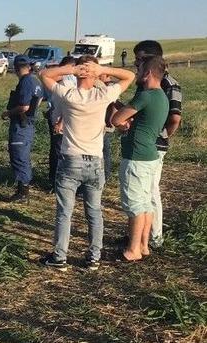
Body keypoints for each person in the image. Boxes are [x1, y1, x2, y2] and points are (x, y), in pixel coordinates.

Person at [39, 57, 135, 272]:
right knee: (94, 211)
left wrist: (71, 69)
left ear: (78, 74)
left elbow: (44, 74)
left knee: (65, 212)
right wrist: (102, 69)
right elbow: (130, 76)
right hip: (95, 161)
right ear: (93, 74)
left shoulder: (69, 95)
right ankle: (94, 257)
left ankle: (60, 257)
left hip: (70, 159)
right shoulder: (103, 95)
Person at [111, 55, 170, 262]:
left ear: (147, 73)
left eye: (139, 69)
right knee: (145, 203)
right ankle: (143, 245)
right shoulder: (162, 97)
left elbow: (116, 119)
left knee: (135, 205)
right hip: (150, 155)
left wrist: (121, 119)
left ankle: (132, 249)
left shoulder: (145, 96)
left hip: (136, 157)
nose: (137, 73)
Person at [131, 40, 183, 249]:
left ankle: (155, 237)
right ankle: (143, 236)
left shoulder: (169, 84)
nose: (136, 63)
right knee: (142, 193)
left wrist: (160, 136)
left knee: (151, 192)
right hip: (142, 143)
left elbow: (175, 118)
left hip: (153, 144)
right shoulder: (143, 82)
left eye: (140, 59)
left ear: (153, 59)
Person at [2, 55, 44, 202]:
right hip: (28, 124)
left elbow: (24, 106)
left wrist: (8, 113)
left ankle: (23, 192)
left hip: (21, 125)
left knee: (19, 156)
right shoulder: (35, 81)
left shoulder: (26, 81)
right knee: (23, 155)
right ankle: (23, 188)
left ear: (16, 67)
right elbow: (38, 100)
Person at [43, 56, 76, 189]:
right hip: (57, 118)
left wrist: (60, 123)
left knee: (58, 151)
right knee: (56, 150)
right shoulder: (64, 81)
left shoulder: (67, 82)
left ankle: (58, 181)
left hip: (62, 123)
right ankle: (55, 179)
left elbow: (68, 104)